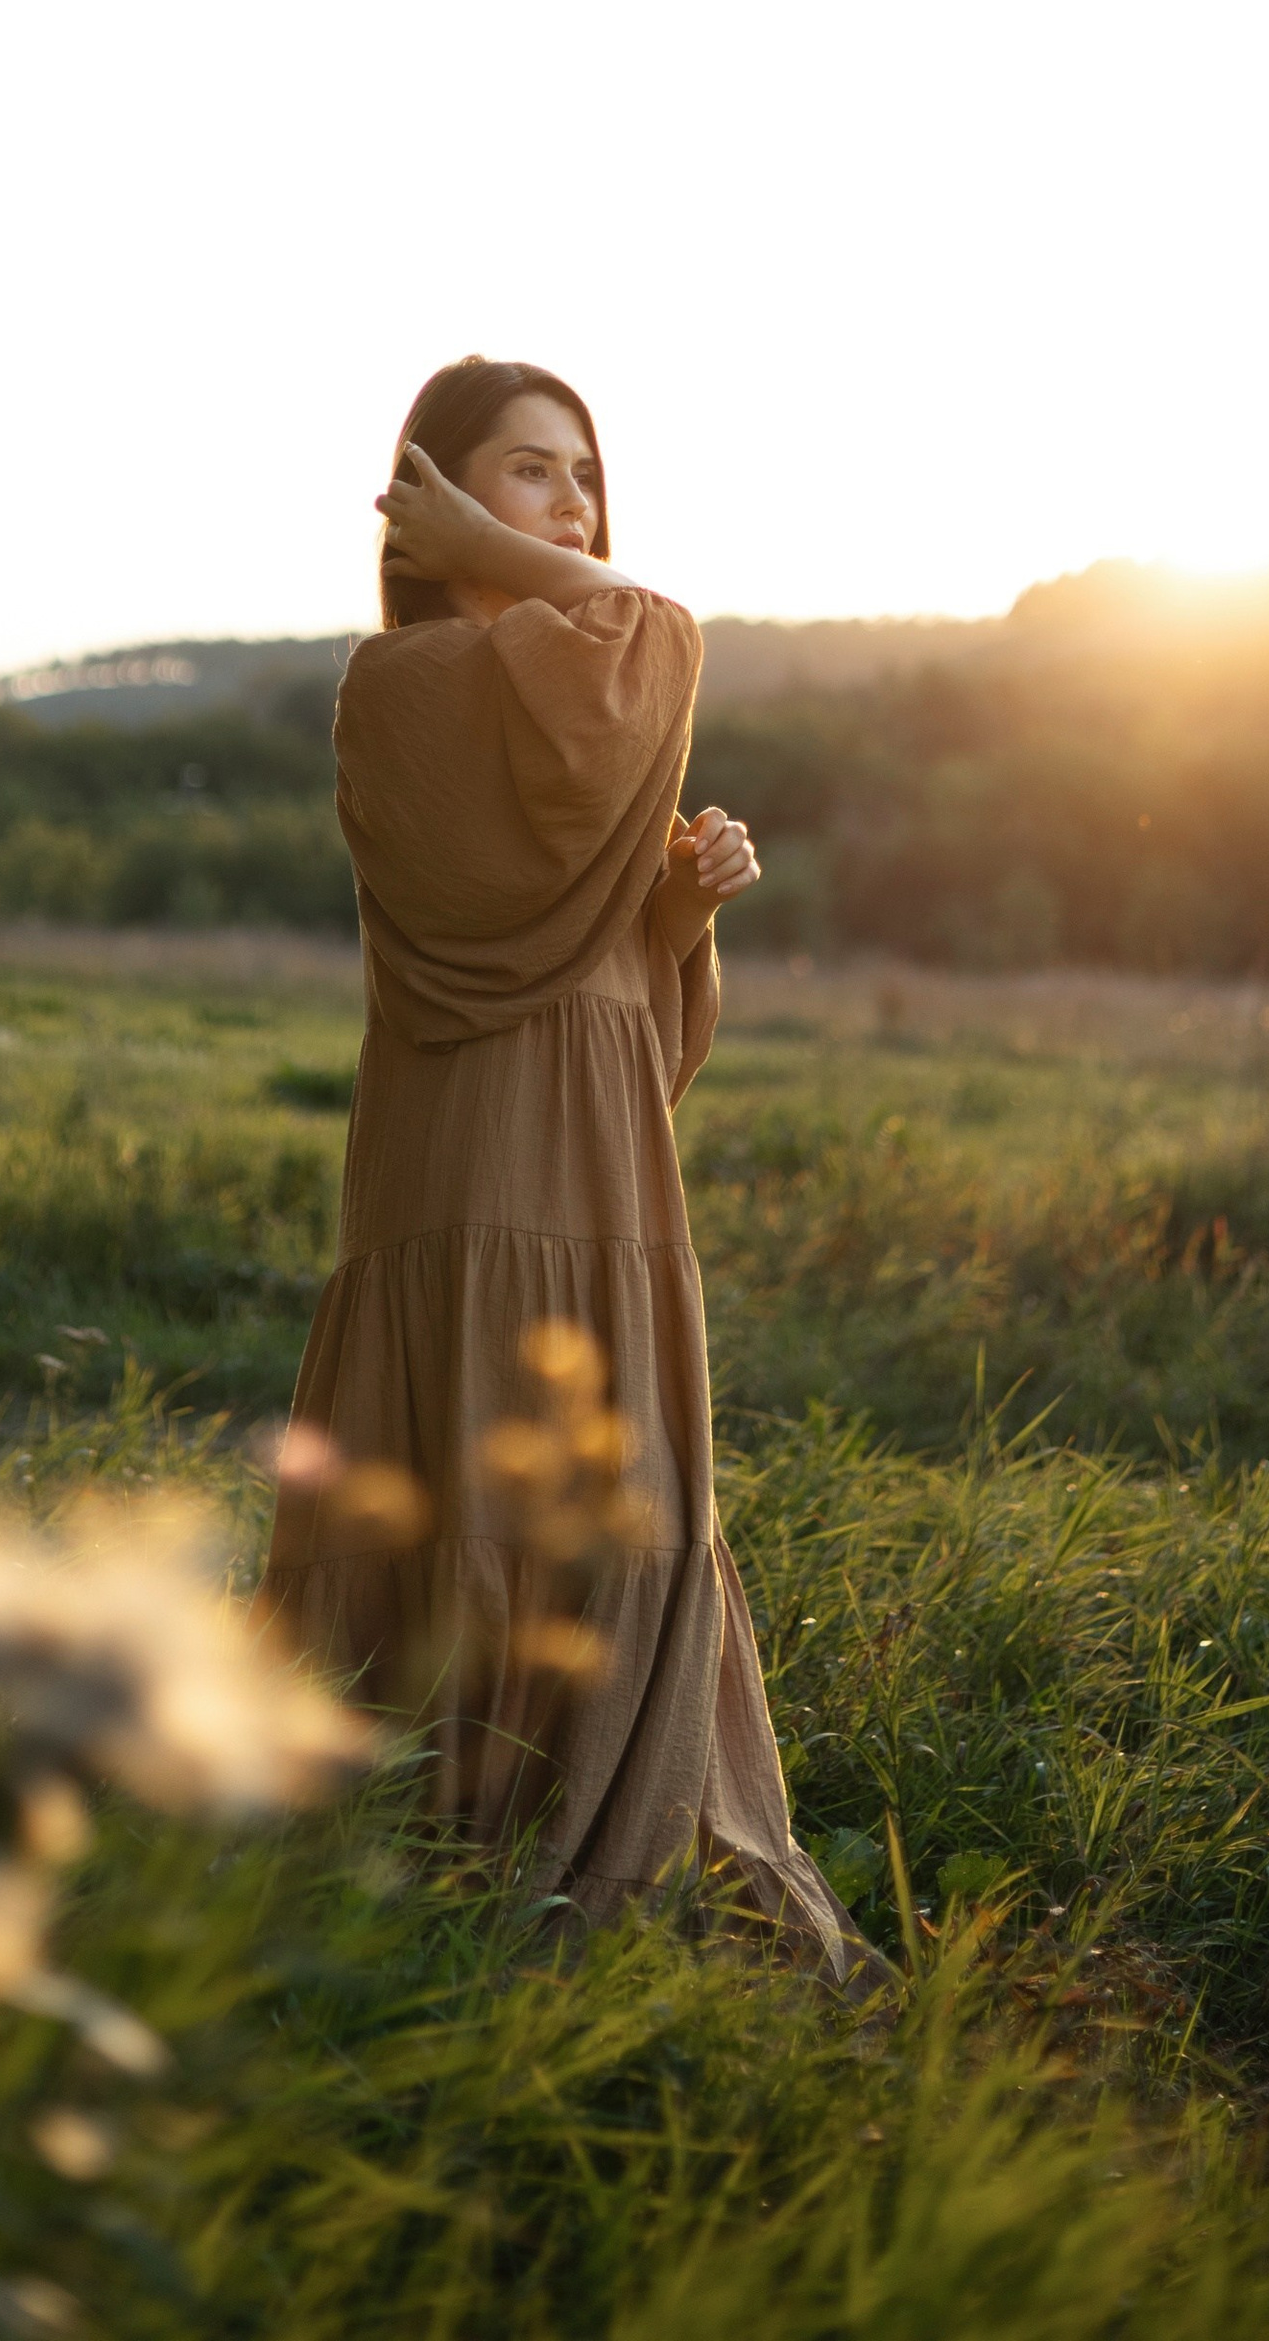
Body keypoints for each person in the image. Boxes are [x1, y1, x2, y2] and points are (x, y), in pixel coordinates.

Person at [260, 355, 865, 1975]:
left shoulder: (589, 694)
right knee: (467, 1501)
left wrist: (677, 918)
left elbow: (634, 1042)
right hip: (467, 1178)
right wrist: (504, 564)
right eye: (531, 471)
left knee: (615, 1511)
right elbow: (655, 634)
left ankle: (604, 1842)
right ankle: (430, 1868)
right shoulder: (402, 689)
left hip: (598, 1175)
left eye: (585, 476)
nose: (574, 505)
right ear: (434, 497)